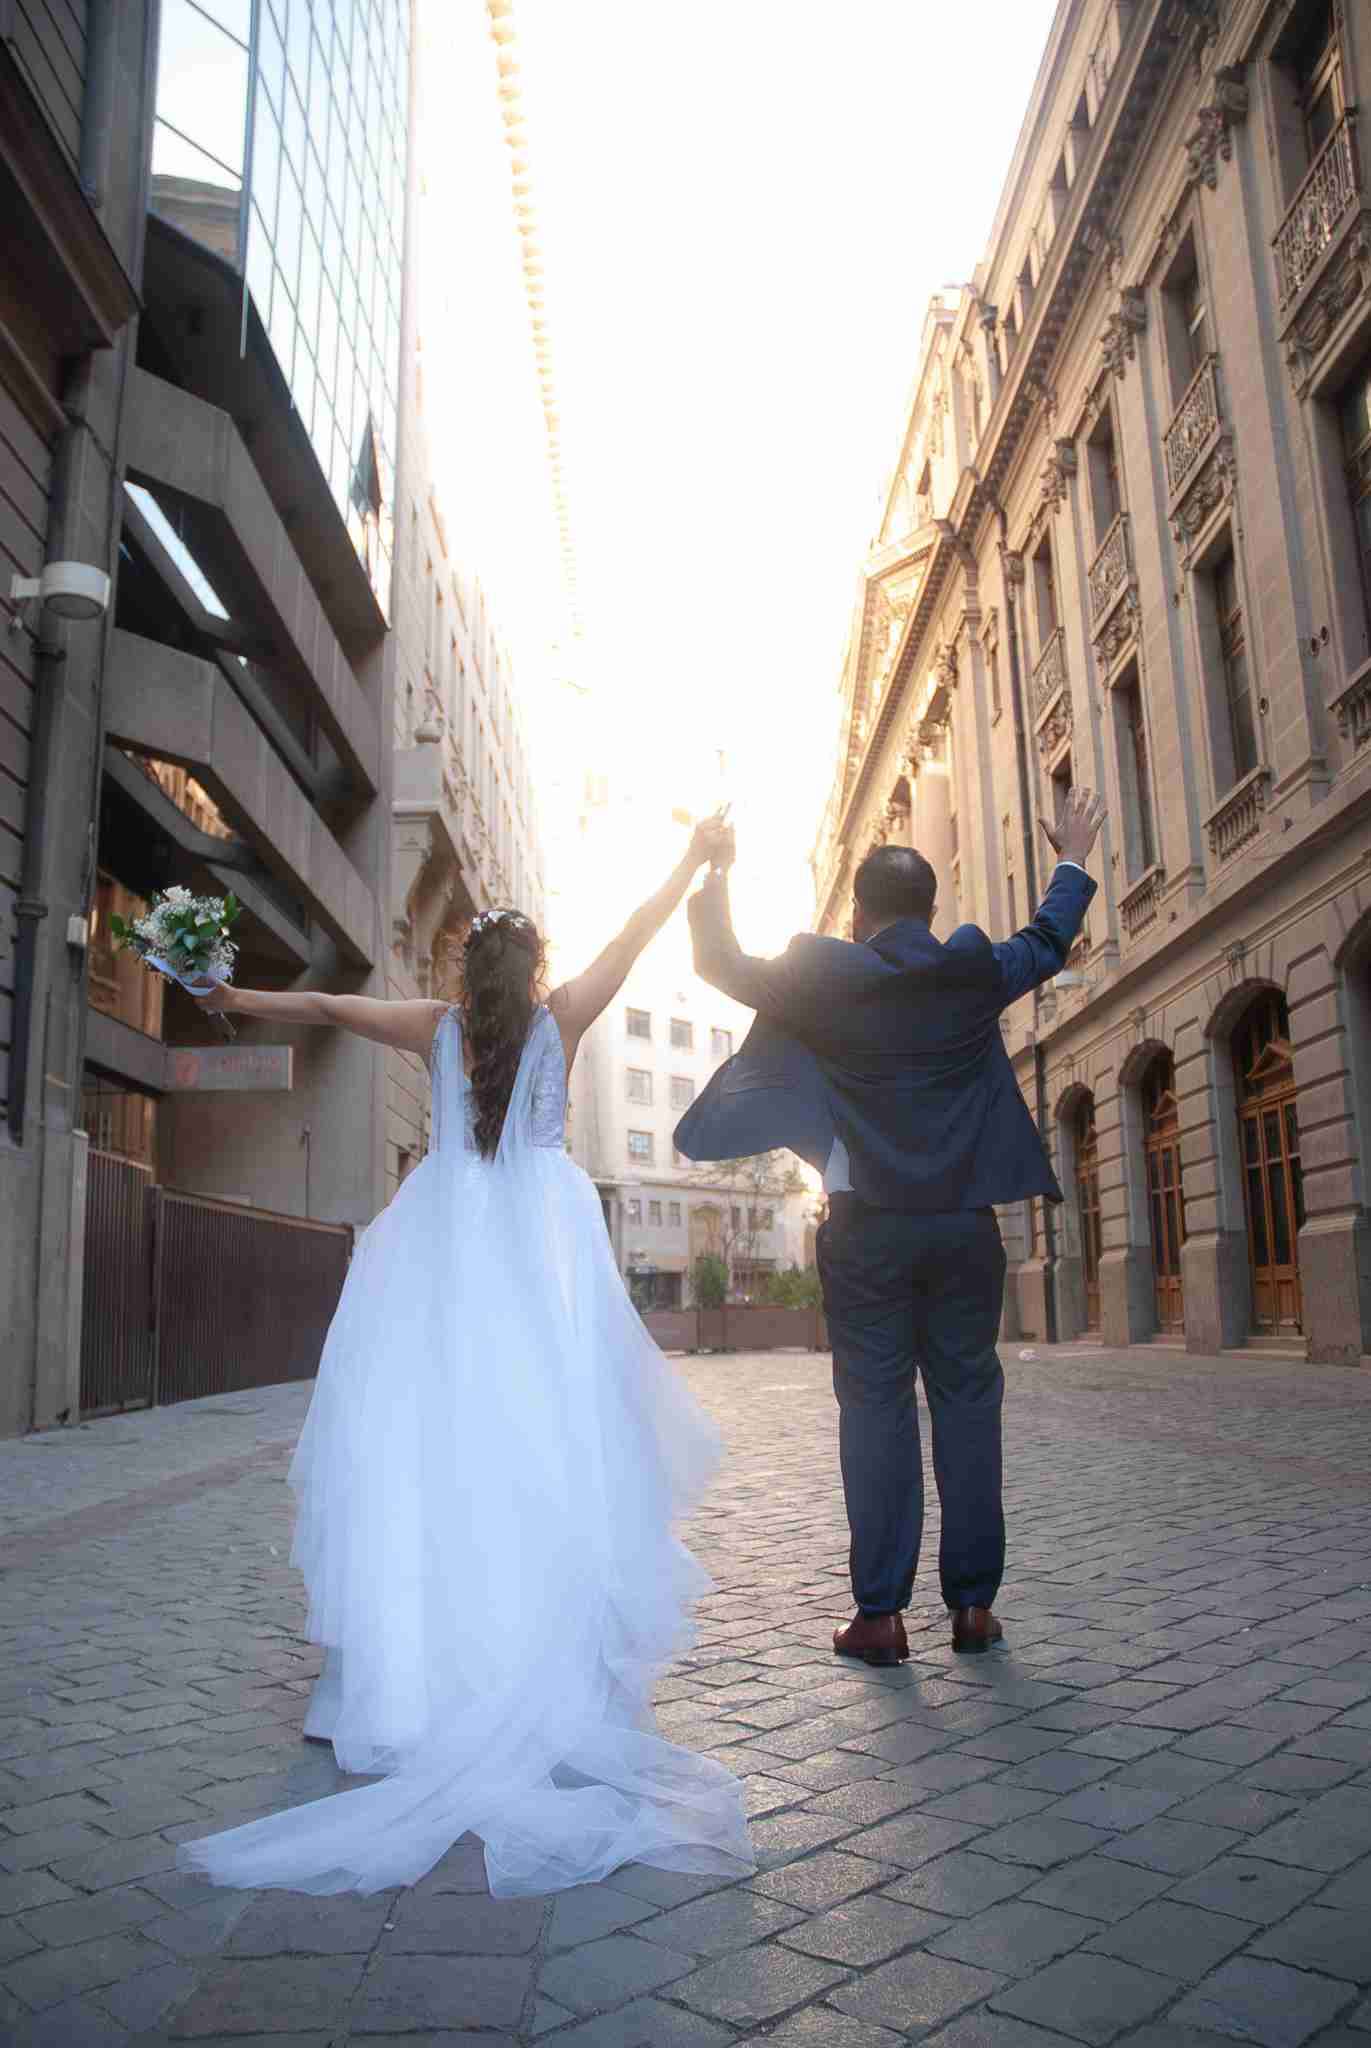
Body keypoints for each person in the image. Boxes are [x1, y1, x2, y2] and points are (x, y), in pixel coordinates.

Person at [177, 812, 754, 1899]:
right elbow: (636, 928)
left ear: (463, 965)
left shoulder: (434, 1026)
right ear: (530, 967)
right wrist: (692, 856)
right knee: (548, 1453)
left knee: (427, 1459)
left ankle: (422, 1671)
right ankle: (544, 1662)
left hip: (437, 1257)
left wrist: (233, 997)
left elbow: (328, 1005)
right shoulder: (563, 1019)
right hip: (538, 1261)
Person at [675, 789, 1105, 1664]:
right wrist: (1073, 857)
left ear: (861, 913)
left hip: (865, 1230)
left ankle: (879, 1617)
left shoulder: (821, 974)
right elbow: (1046, 941)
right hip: (962, 1230)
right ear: (932, 911)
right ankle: (974, 1609)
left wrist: (714, 869)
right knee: (968, 1404)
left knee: (873, 1410)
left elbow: (718, 960)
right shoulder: (969, 969)